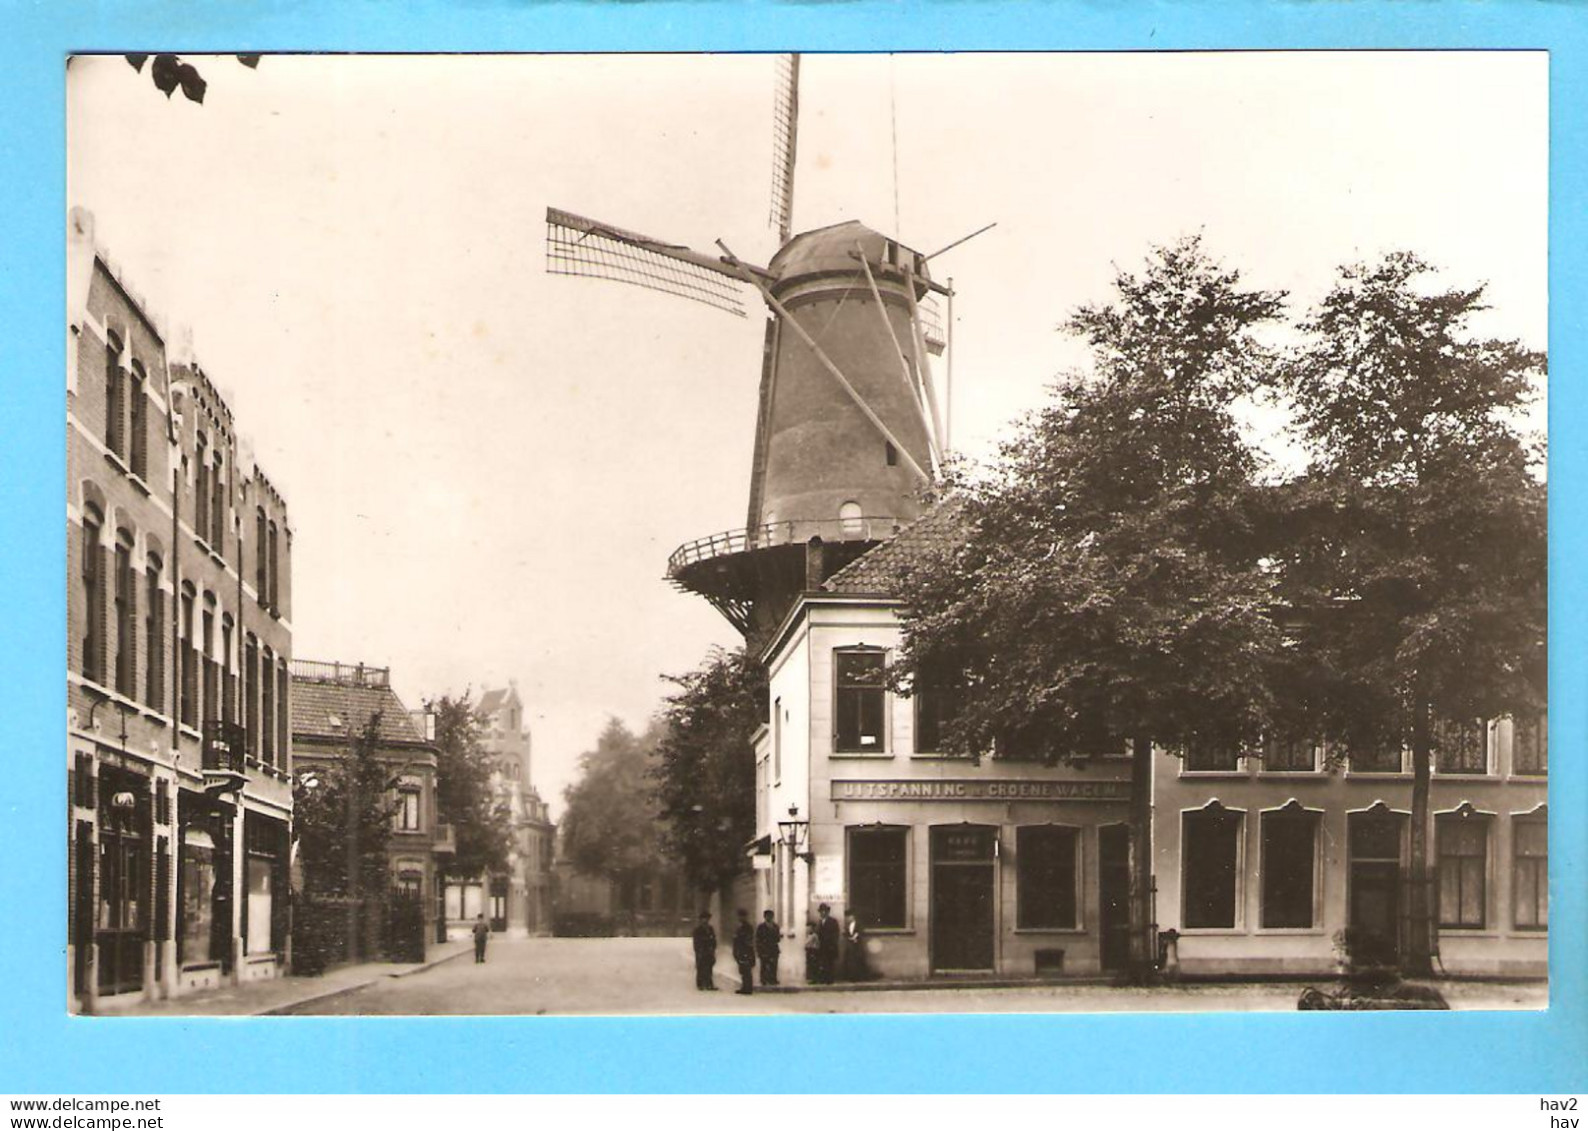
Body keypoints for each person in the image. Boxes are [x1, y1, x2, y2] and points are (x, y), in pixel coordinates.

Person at [842, 910, 873, 982]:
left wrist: (854, 937)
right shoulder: (848, 925)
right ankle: (852, 977)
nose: (848, 918)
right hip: (850, 945)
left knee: (858, 961)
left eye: (849, 916)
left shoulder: (858, 924)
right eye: (847, 917)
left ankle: (860, 977)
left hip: (857, 945)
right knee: (850, 961)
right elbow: (847, 934)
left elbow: (860, 932)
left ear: (853, 917)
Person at [815, 902, 841, 985]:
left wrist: (832, 944)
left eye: (824, 911)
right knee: (823, 963)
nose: (823, 913)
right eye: (821, 911)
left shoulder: (833, 921)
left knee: (830, 963)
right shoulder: (820, 922)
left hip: (830, 946)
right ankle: (824, 979)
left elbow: (836, 934)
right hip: (822, 947)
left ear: (827, 912)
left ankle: (830, 979)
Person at [691, 909, 718, 991]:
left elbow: (714, 939)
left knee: (709, 967)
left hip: (709, 951)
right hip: (701, 951)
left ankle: (709, 984)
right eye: (703, 918)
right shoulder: (698, 930)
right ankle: (700, 984)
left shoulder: (710, 929)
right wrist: (698, 951)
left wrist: (713, 948)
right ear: (701, 919)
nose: (705, 920)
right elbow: (696, 942)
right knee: (701, 967)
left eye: (707, 918)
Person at [732, 909, 757, 995]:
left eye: (742, 916)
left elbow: (747, 940)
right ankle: (744, 986)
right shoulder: (739, 927)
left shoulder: (747, 927)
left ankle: (748, 988)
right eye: (739, 916)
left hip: (746, 951)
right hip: (740, 951)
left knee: (747, 970)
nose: (740, 918)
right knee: (742, 970)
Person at [755, 909, 781, 987]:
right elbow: (758, 938)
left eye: (771, 916)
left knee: (774, 964)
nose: (769, 918)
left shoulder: (775, 926)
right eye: (767, 916)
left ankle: (773, 979)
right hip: (764, 948)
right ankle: (763, 980)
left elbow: (778, 938)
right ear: (765, 917)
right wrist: (759, 949)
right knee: (764, 964)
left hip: (773, 948)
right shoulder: (761, 927)